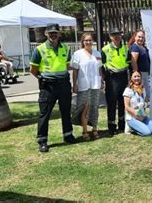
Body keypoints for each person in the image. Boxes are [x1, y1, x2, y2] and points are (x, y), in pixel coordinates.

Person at [30, 23, 76, 152]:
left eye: (55, 32)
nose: (53, 35)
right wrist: (43, 79)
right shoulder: (39, 49)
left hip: (64, 85)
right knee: (45, 114)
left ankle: (68, 135)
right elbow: (33, 70)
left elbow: (67, 66)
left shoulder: (65, 48)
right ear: (46, 34)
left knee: (66, 111)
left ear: (59, 34)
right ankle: (42, 141)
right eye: (51, 33)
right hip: (48, 86)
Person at [71, 33, 103, 140]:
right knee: (84, 107)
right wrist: (74, 83)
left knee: (94, 107)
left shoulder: (97, 53)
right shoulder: (77, 54)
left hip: (95, 84)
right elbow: (75, 70)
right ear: (83, 42)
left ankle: (94, 129)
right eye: (86, 40)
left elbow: (99, 69)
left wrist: (102, 80)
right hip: (83, 85)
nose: (88, 42)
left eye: (90, 40)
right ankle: (85, 131)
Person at [101, 27, 131, 135]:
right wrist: (104, 79)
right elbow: (101, 66)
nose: (117, 37)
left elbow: (129, 64)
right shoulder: (105, 49)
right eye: (114, 35)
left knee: (123, 102)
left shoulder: (126, 48)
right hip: (111, 78)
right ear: (110, 37)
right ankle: (112, 126)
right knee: (112, 102)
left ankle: (122, 125)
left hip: (123, 77)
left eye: (118, 34)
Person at [123, 71, 152, 136]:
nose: (137, 78)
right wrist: (136, 115)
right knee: (147, 133)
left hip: (142, 116)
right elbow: (126, 107)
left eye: (138, 76)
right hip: (132, 117)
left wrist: (142, 114)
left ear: (141, 77)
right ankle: (131, 127)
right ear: (131, 78)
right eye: (135, 76)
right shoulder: (128, 90)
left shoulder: (142, 89)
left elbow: (143, 104)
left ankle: (141, 126)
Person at [129, 30, 151, 102]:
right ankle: (139, 111)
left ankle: (143, 110)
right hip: (140, 74)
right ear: (135, 37)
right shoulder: (135, 47)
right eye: (139, 37)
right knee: (140, 94)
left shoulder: (143, 47)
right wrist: (136, 74)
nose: (141, 39)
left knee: (145, 94)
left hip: (145, 73)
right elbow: (133, 62)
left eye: (142, 37)